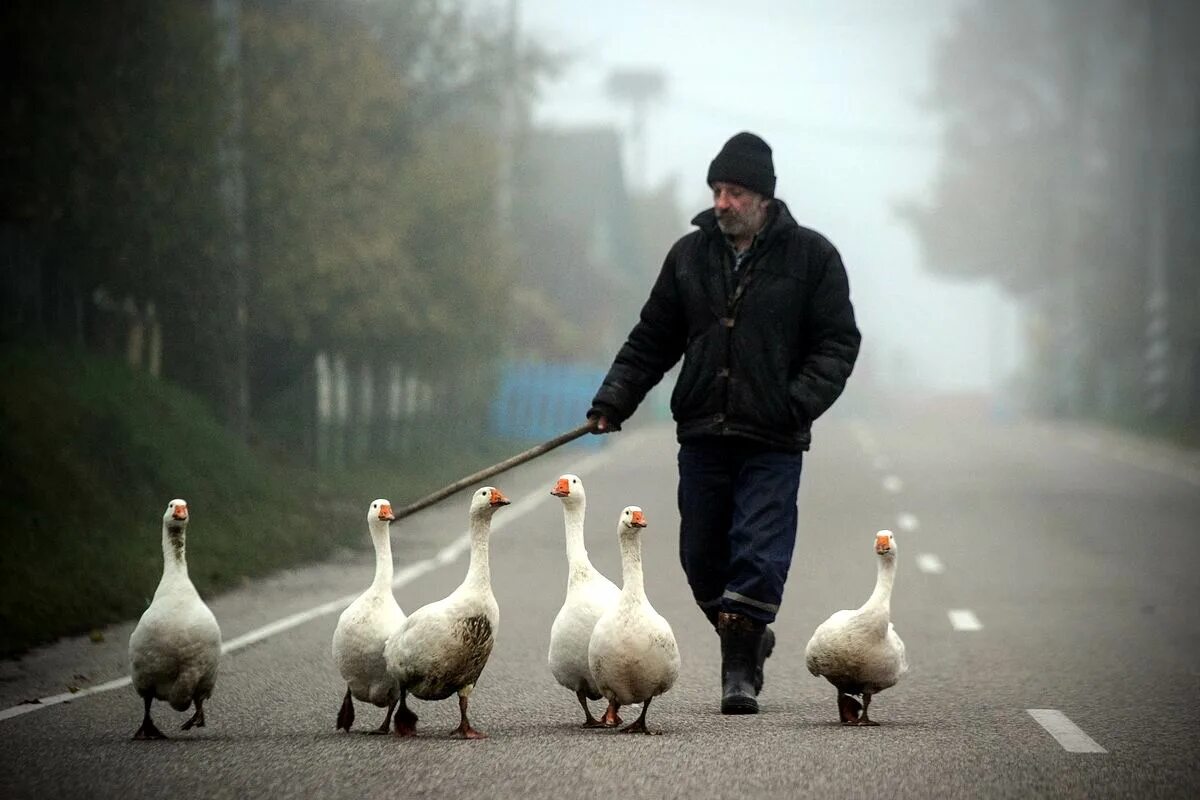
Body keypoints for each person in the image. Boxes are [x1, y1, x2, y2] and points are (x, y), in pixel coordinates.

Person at [587, 131, 861, 714]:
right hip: (704, 433)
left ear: (763, 198)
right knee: (701, 556)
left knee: (757, 552)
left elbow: (837, 342)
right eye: (717, 190)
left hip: (773, 436)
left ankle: (738, 672)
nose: (722, 202)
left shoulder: (813, 259)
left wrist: (797, 401)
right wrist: (614, 400)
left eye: (735, 191)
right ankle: (750, 636)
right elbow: (652, 338)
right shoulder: (689, 257)